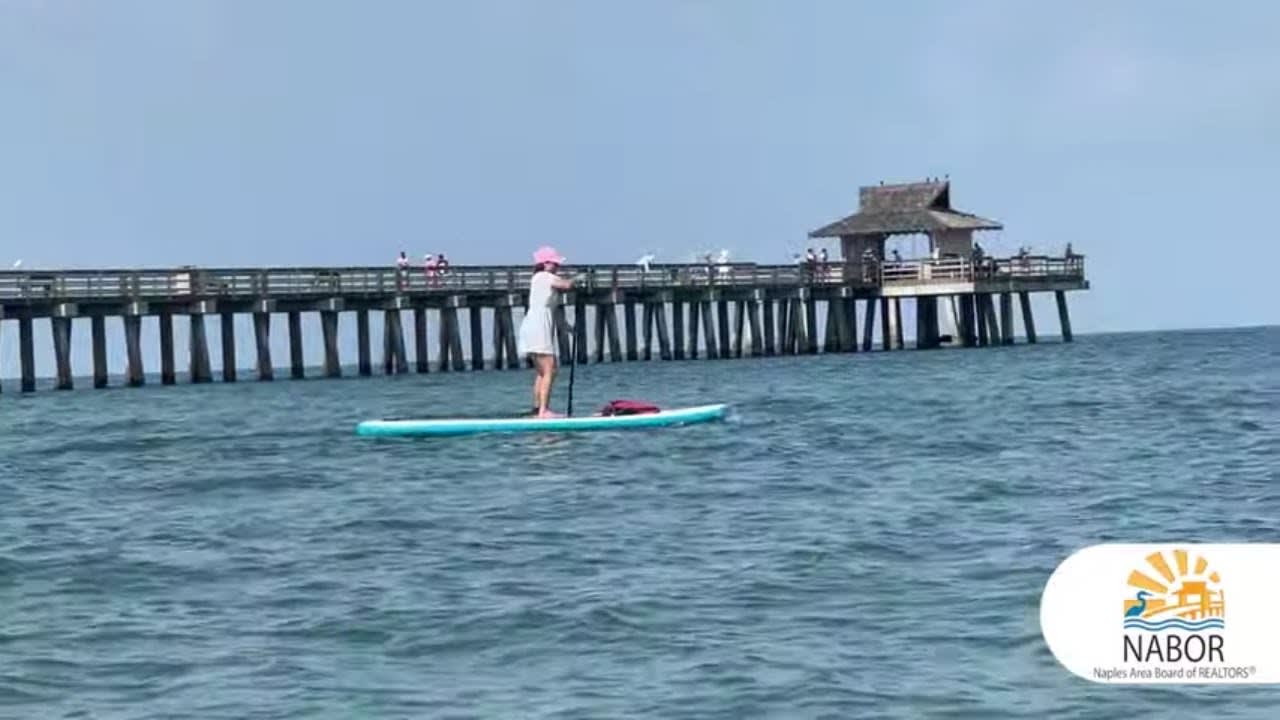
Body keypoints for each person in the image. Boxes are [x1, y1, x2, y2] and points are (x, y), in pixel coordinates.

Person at [518, 246, 574, 418]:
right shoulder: (543, 276)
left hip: (533, 325)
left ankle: (537, 409)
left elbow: (554, 311)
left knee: (543, 372)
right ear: (545, 263)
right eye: (555, 263)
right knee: (550, 369)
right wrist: (579, 279)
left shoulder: (542, 279)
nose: (558, 267)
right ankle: (544, 411)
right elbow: (566, 285)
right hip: (538, 327)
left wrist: (568, 328)